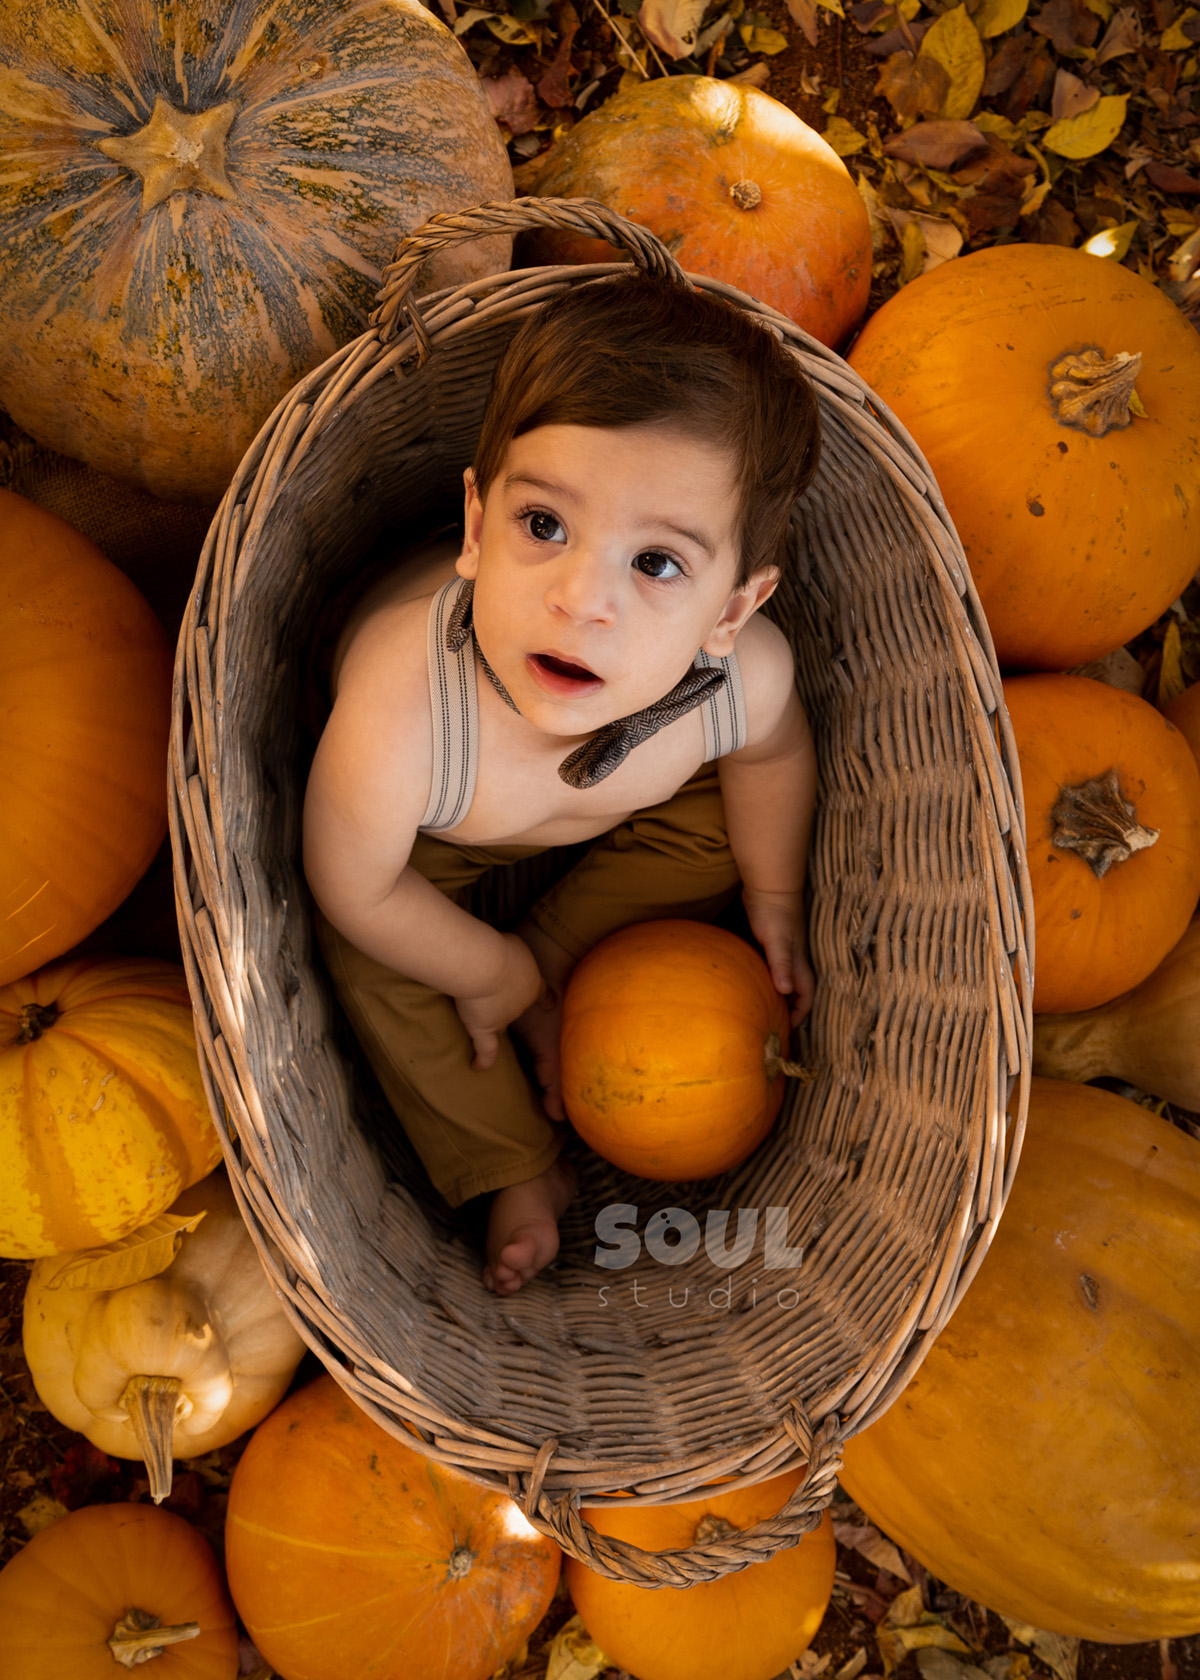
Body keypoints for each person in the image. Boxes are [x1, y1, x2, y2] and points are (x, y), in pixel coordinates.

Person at [302, 268, 821, 1297]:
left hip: (625, 796)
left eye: (659, 565)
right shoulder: (399, 712)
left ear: (734, 607)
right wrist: (489, 973)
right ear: (476, 522)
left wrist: (774, 892)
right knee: (373, 960)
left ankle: (553, 946)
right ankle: (515, 1159)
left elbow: (774, 757)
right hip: (431, 852)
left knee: (730, 823)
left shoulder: (739, 678)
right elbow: (351, 882)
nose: (582, 599)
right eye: (543, 526)